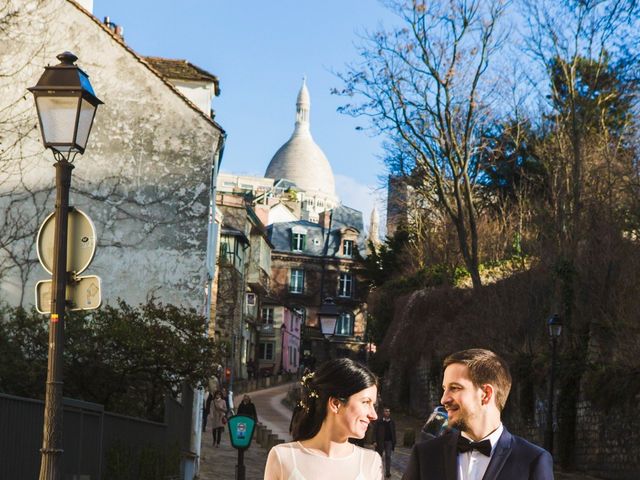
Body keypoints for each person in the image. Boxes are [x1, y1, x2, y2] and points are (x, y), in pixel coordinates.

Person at [402, 348, 554, 480]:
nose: (443, 399)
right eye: (444, 388)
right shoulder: (424, 456)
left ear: (486, 394)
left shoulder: (532, 461)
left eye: (454, 388)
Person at [264, 358, 383, 480]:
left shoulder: (371, 463)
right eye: (365, 402)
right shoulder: (283, 457)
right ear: (335, 404)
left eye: (373, 405)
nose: (374, 415)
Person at [373, 407, 397, 478]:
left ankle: (388, 473)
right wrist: (374, 441)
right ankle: (378, 471)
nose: (387, 412)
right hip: (380, 441)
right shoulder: (379, 421)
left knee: (388, 456)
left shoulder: (392, 422)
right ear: (383, 412)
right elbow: (375, 431)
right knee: (379, 457)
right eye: (386, 411)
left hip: (389, 442)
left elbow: (394, 432)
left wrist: (394, 441)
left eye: (388, 411)